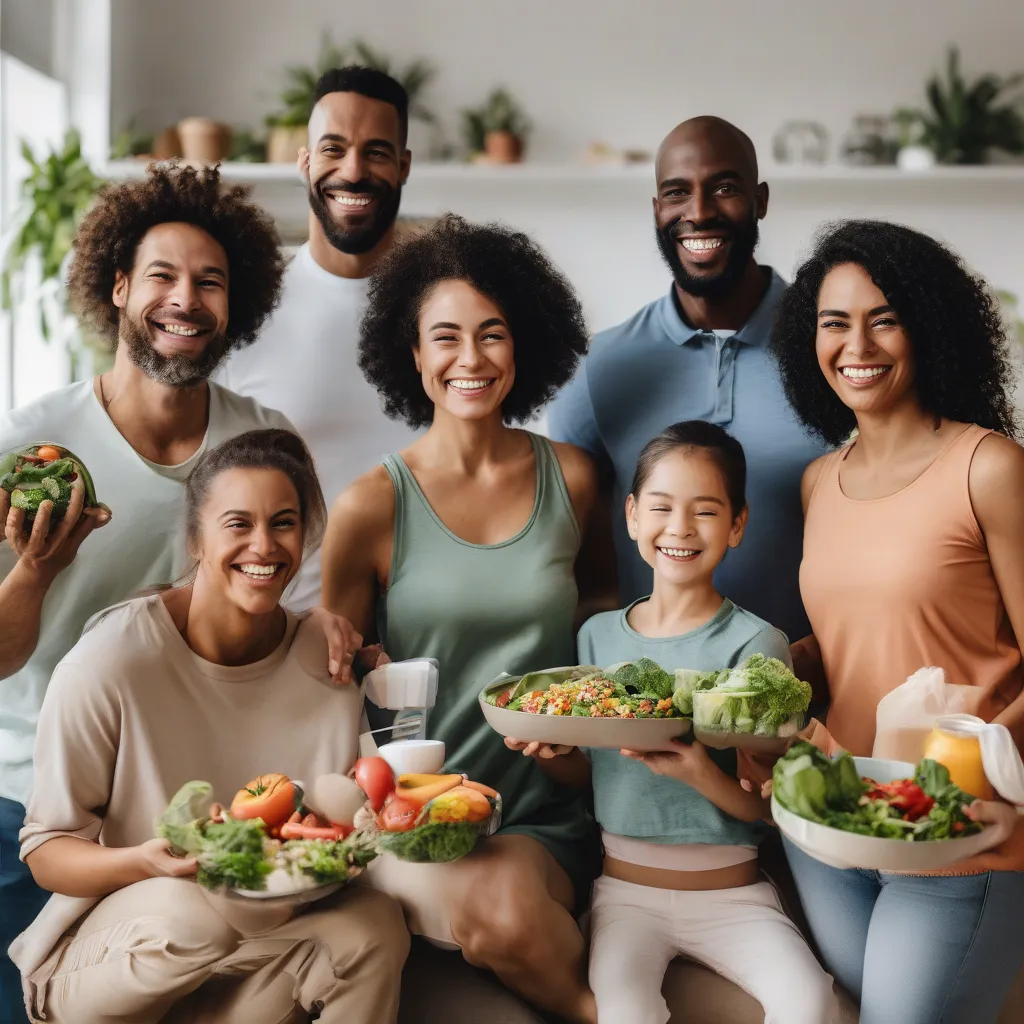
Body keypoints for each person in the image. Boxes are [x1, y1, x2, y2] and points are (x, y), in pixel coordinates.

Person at [0, 163, 329, 1021]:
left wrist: (333, 628)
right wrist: (35, 571)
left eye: (209, 282)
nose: (186, 300)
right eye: (163, 276)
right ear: (117, 287)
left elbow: (298, 616)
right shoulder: (33, 450)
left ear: (236, 303)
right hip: (32, 801)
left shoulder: (263, 440)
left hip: (197, 805)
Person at [8, 429, 409, 1024]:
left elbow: (341, 819)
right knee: (195, 914)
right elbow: (46, 852)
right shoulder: (111, 660)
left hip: (252, 950)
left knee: (375, 928)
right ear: (195, 539)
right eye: (237, 524)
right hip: (108, 958)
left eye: (283, 523)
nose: (264, 545)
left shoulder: (326, 661)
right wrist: (144, 860)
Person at [321, 214, 609, 1023]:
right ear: (412, 355)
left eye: (493, 334)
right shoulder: (371, 504)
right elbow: (335, 674)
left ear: (524, 345)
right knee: (493, 915)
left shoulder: (575, 478)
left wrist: (587, 710)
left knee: (506, 914)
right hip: (422, 811)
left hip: (550, 802)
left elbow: (600, 611)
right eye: (445, 337)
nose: (471, 359)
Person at [770, 219, 1024, 1024]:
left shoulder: (988, 468)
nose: (857, 344)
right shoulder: (818, 481)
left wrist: (992, 781)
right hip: (832, 826)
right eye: (834, 322)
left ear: (928, 325)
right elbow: (855, 637)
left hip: (956, 831)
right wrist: (763, 677)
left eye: (885, 317)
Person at [508, 421, 837, 1024]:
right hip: (624, 895)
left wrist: (698, 775)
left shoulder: (756, 643)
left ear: (736, 525)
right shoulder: (596, 636)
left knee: (812, 1003)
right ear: (632, 516)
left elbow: (770, 808)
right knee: (625, 1013)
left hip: (734, 894)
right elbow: (596, 778)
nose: (680, 528)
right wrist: (552, 754)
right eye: (661, 507)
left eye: (705, 511)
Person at [547, 115, 826, 643]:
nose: (698, 212)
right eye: (677, 193)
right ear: (658, 210)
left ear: (761, 201)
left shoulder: (831, 349)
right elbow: (564, 543)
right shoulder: (602, 366)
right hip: (645, 700)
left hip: (811, 693)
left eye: (724, 188)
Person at [216, 65, 418, 611]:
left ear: (402, 167)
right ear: (304, 161)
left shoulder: (445, 312)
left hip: (430, 631)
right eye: (333, 148)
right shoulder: (241, 309)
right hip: (283, 637)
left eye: (376, 152)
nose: (353, 171)